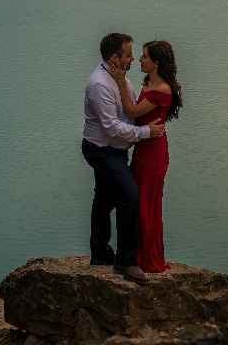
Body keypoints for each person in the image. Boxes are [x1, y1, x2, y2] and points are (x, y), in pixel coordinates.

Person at [82, 33, 166, 285]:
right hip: (102, 150)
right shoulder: (100, 85)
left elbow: (129, 112)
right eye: (128, 54)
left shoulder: (118, 78)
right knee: (130, 196)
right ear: (114, 58)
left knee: (105, 198)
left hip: (114, 149)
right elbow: (112, 127)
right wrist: (146, 132)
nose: (132, 59)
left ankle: (100, 253)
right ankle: (126, 261)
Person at [111, 40, 182, 273]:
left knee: (146, 204)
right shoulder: (150, 81)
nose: (140, 60)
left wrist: (120, 80)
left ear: (156, 62)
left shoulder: (161, 90)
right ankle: (137, 254)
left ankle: (146, 258)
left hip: (154, 153)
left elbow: (132, 111)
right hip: (144, 148)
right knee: (139, 201)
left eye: (144, 57)